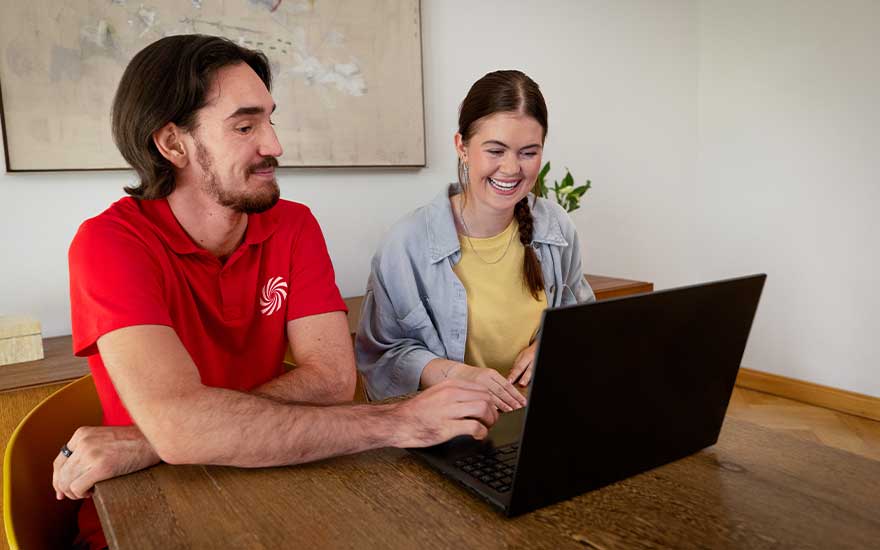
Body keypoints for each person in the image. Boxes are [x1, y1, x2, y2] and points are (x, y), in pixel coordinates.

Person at [53, 35, 497, 550]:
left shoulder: (293, 226)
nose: (274, 145)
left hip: (282, 483)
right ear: (173, 144)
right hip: (152, 512)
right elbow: (184, 425)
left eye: (270, 119)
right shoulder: (110, 244)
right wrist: (397, 420)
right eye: (245, 126)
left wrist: (157, 436)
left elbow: (332, 380)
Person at [356, 70, 595, 411]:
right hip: (446, 429)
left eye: (528, 152)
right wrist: (457, 375)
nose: (511, 169)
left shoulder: (556, 226)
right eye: (495, 150)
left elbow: (581, 320)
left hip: (536, 417)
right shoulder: (405, 244)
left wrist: (547, 346)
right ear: (462, 147)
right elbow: (380, 357)